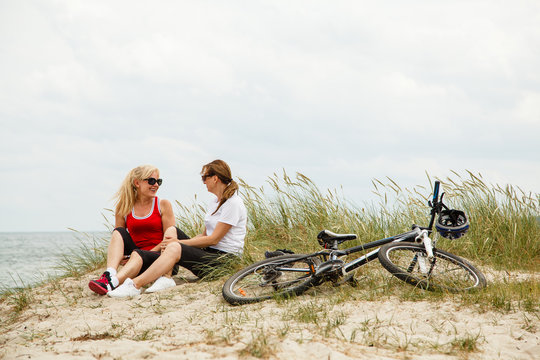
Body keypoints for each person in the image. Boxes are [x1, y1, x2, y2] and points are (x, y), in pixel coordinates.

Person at [107, 159, 247, 297]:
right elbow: (204, 235)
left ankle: (134, 285)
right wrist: (179, 243)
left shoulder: (232, 203)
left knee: (175, 245)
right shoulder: (215, 202)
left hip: (224, 261)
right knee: (172, 231)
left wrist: (178, 244)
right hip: (209, 253)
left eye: (205, 178)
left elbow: (214, 239)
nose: (203, 182)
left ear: (215, 178)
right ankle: (166, 277)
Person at [88, 165, 187, 295]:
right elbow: (120, 239)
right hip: (136, 259)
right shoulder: (124, 207)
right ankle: (109, 274)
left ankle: (112, 284)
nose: (156, 185)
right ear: (137, 183)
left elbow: (169, 240)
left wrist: (143, 254)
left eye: (159, 181)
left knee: (140, 253)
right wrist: (126, 257)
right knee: (118, 232)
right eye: (151, 181)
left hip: (160, 259)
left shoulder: (163, 204)